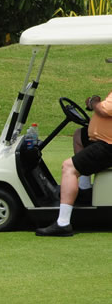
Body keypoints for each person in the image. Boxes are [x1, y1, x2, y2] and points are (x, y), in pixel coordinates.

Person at [36, 91, 112, 236]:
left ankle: (62, 223)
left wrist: (93, 102)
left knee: (69, 167)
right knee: (79, 135)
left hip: (108, 146)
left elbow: (103, 110)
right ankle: (84, 189)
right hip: (104, 140)